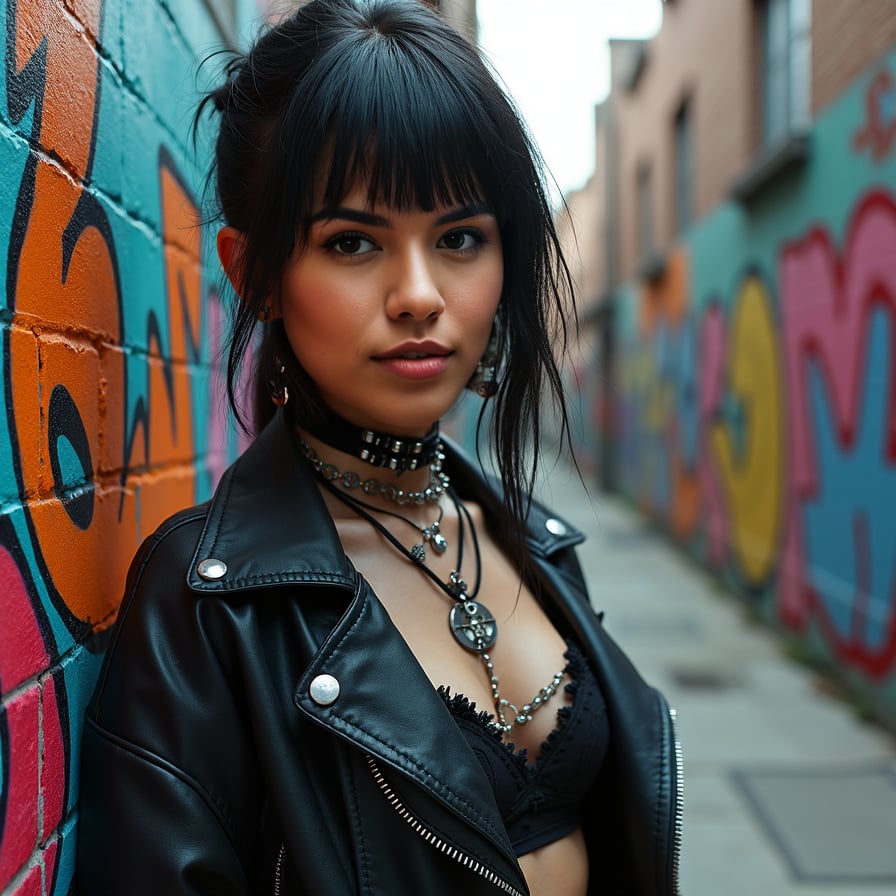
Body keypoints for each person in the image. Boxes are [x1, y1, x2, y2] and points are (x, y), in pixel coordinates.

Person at [77, 1, 681, 893]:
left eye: (460, 239)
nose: (419, 294)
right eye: (353, 241)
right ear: (256, 274)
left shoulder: (530, 539)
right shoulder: (208, 610)